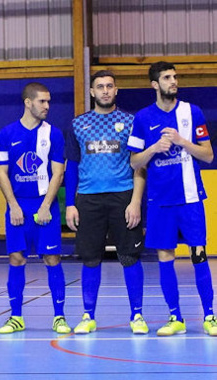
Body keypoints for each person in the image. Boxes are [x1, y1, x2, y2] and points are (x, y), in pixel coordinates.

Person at [128, 61, 217, 336]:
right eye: (167, 77)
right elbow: (134, 163)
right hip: (159, 201)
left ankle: (210, 316)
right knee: (165, 256)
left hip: (190, 197)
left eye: (175, 76)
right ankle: (175, 317)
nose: (173, 81)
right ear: (155, 85)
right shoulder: (142, 118)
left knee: (198, 254)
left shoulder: (193, 112)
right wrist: (154, 148)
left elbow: (208, 155)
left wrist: (181, 141)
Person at [65, 70, 147, 334]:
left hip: (123, 197)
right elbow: (72, 167)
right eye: (99, 86)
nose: (105, 91)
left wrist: (135, 202)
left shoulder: (131, 122)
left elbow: (139, 165)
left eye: (109, 86)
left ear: (116, 90)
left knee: (129, 256)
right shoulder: (78, 124)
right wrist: (70, 203)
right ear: (92, 92)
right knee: (90, 258)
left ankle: (137, 316)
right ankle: (88, 316)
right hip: (88, 200)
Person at [0, 82, 69, 334]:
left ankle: (59, 317)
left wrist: (47, 205)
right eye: (42, 101)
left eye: (49, 101)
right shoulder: (6, 134)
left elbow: (58, 173)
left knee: (52, 258)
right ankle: (16, 317)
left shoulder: (54, 134)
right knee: (16, 258)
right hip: (18, 206)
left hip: (44, 205)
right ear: (28, 102)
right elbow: (1, 173)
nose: (47, 106)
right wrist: (13, 205)